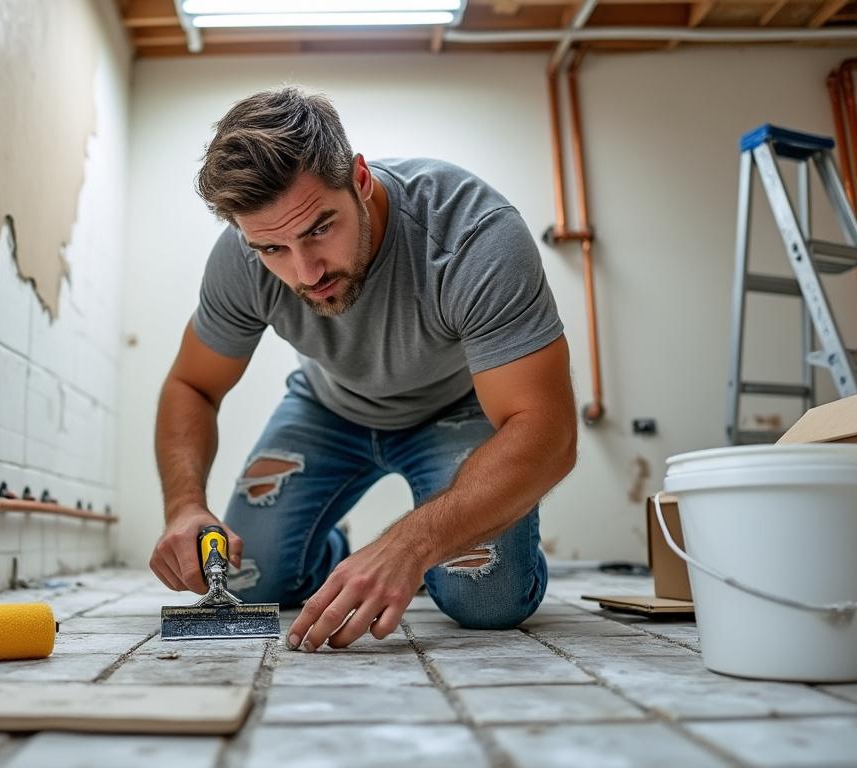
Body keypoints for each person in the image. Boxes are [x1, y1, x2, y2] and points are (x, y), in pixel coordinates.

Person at [150, 86, 577, 652]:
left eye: (319, 228)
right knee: (254, 580)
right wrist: (183, 506)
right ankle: (333, 553)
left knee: (486, 599)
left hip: (456, 408)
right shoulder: (239, 259)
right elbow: (192, 384)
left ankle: (451, 554)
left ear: (360, 178)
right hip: (327, 408)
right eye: (272, 249)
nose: (305, 272)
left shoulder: (472, 236)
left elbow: (550, 434)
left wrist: (409, 546)